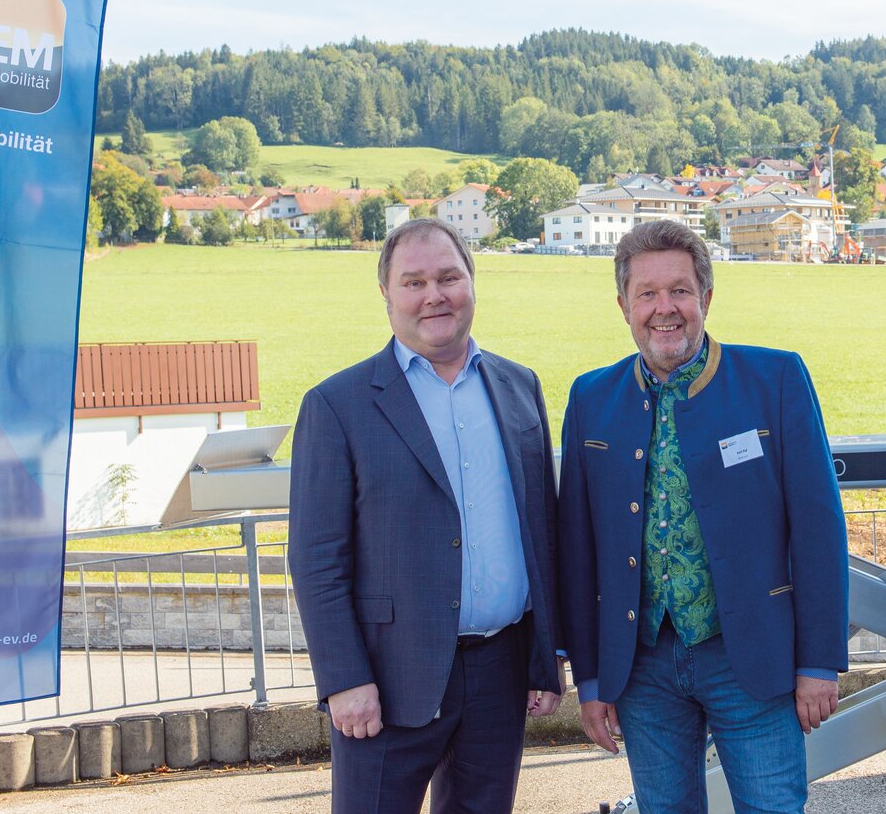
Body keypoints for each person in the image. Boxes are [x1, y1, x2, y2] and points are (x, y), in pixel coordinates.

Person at [558, 219, 850, 814]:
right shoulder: (591, 398)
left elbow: (818, 529)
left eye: (680, 291)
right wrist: (589, 678)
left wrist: (820, 661)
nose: (664, 308)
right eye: (647, 293)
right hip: (641, 668)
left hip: (754, 659)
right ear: (624, 305)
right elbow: (577, 550)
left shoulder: (775, 380)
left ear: (707, 298)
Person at [288, 218, 563, 814]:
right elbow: (316, 560)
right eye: (413, 282)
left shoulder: (519, 387)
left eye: (448, 277)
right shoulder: (337, 405)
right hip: (386, 684)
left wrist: (545, 661)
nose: (434, 295)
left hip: (500, 674)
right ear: (386, 294)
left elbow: (540, 535)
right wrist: (344, 679)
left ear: (472, 282)